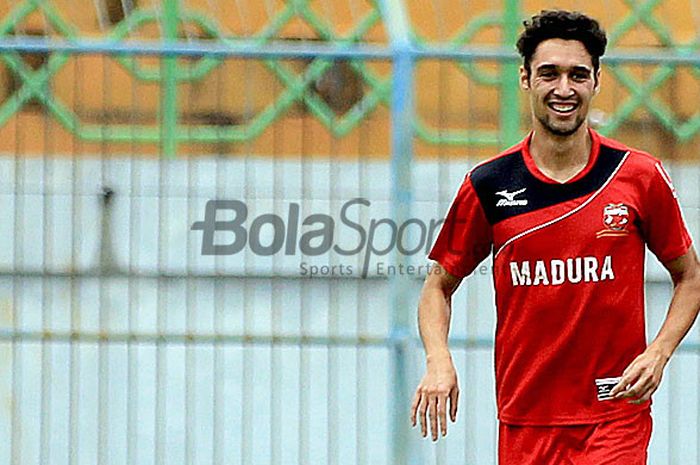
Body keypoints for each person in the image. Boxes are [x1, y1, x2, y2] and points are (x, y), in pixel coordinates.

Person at [409, 9, 700, 465]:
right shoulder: (488, 184)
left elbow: (690, 277)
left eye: (577, 75)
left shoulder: (637, 176)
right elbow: (437, 287)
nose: (564, 89)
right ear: (525, 79)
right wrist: (438, 360)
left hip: (614, 414)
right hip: (526, 421)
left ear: (596, 81)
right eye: (549, 74)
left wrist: (659, 352)